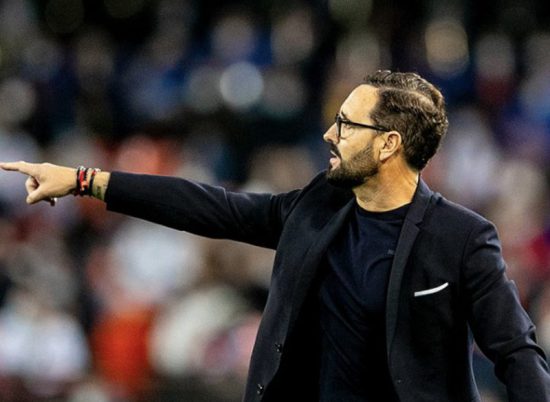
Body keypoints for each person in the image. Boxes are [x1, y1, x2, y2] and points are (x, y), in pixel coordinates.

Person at [1, 71, 549, 402]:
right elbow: (211, 207)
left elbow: (516, 352)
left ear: (388, 145)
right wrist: (85, 180)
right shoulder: (317, 207)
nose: (329, 134)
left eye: (347, 124)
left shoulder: (462, 237)